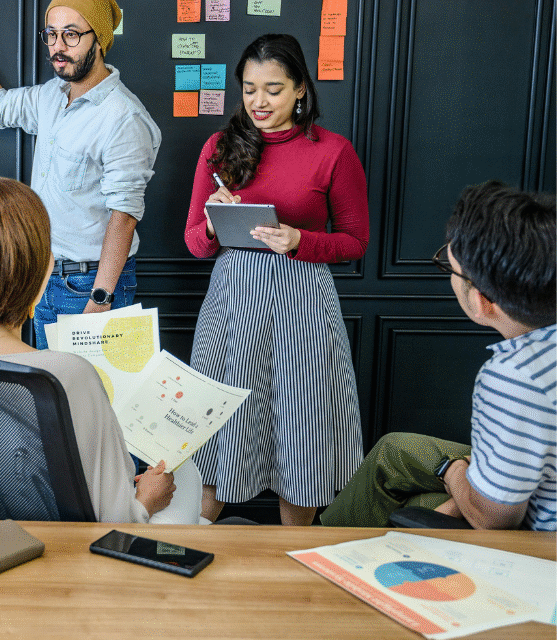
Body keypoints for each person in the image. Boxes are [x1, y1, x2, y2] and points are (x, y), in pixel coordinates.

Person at [0, 177, 205, 524]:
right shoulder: (67, 372)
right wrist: (148, 499)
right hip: (71, 558)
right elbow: (118, 517)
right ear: (44, 269)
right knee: (185, 476)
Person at [183, 34, 369, 526]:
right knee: (220, 425)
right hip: (232, 302)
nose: (258, 102)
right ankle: (199, 537)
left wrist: (300, 240)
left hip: (304, 302)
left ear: (301, 90)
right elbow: (196, 245)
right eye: (248, 89)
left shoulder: (333, 151)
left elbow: (354, 242)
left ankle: (295, 552)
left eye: (273, 89)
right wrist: (209, 220)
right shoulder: (219, 148)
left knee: (303, 430)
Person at [321, 181, 556, 530]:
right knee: (394, 450)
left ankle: (323, 555)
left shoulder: (513, 376)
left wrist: (454, 471)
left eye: (451, 269)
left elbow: (496, 519)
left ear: (481, 302)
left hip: (538, 545)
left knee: (417, 503)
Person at [0, 0, 161, 349]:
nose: (58, 47)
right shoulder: (52, 96)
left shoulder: (124, 117)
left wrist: (101, 298)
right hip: (45, 279)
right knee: (53, 398)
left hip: (92, 284)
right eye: (51, 35)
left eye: (71, 35)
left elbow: (124, 217)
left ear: (98, 39)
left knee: (92, 400)